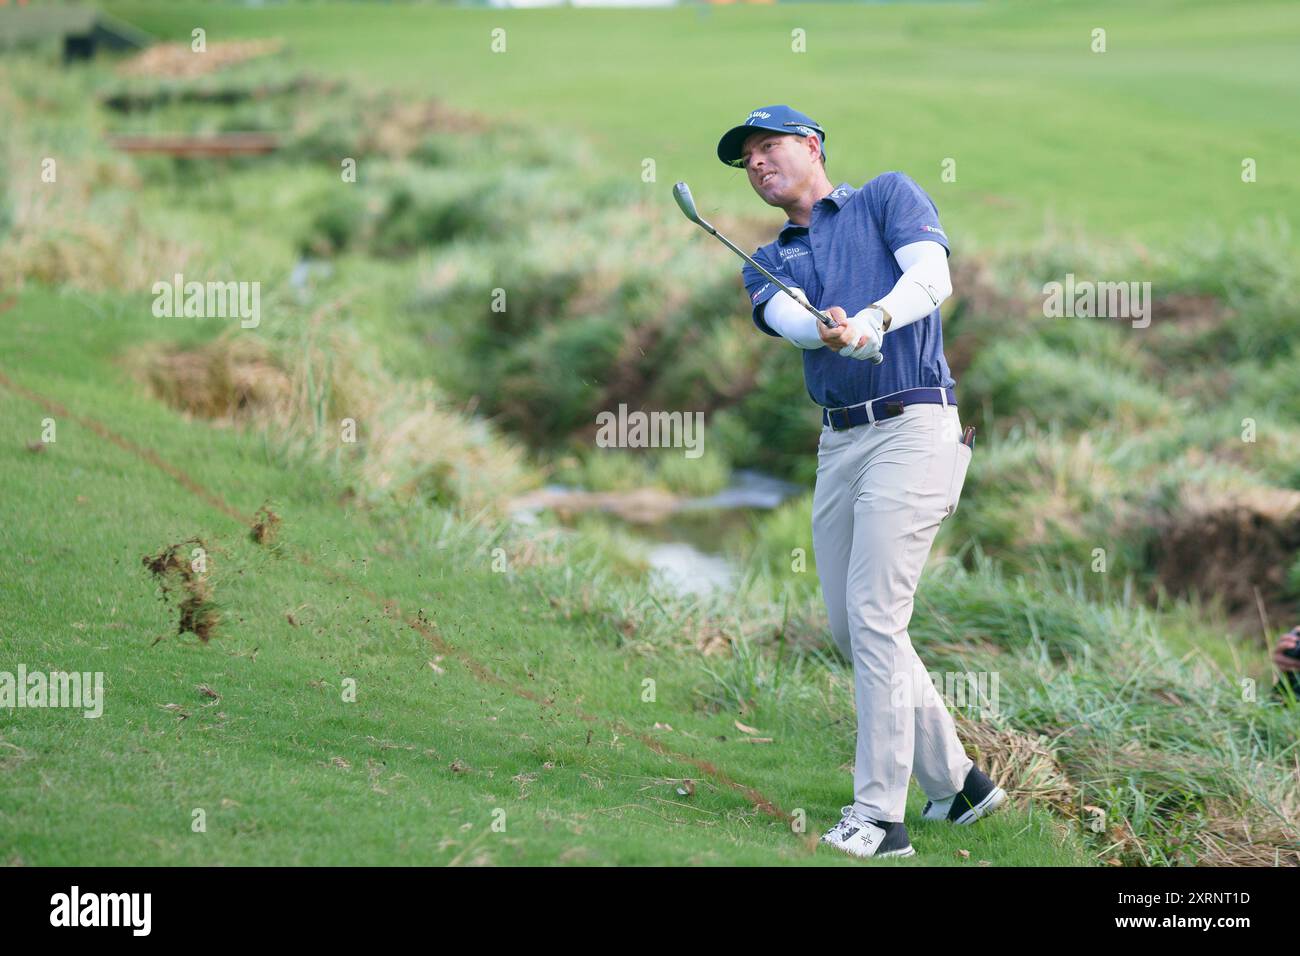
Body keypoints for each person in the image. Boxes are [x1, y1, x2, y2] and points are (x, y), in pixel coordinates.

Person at [715, 105, 1006, 859]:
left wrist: (875, 318)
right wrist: (831, 328)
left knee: (875, 616)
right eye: (745, 158)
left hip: (914, 424)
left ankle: (880, 816)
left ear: (811, 147)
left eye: (768, 147)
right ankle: (960, 786)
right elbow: (790, 321)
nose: (756, 163)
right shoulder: (765, 259)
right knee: (853, 627)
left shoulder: (886, 196)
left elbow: (932, 277)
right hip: (840, 443)